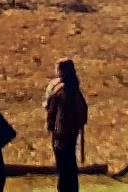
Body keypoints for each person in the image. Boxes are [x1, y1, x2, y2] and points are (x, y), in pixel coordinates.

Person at [44, 58, 88, 192]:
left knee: (63, 168)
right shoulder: (75, 88)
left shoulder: (60, 91)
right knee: (70, 166)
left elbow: (51, 111)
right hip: (72, 133)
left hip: (60, 136)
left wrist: (51, 127)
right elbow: (84, 109)